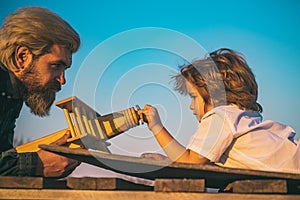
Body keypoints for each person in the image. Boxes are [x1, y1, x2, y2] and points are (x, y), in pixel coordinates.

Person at [139, 48, 300, 174]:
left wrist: (156, 127)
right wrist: (168, 161)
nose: (191, 106)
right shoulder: (238, 116)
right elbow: (204, 164)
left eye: (194, 97)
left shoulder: (220, 117)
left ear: (214, 95)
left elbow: (189, 164)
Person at [0, 7, 81, 177]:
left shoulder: (12, 96)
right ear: (22, 57)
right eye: (56, 66)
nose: (62, 80)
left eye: (65, 68)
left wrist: (46, 155)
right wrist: (36, 164)